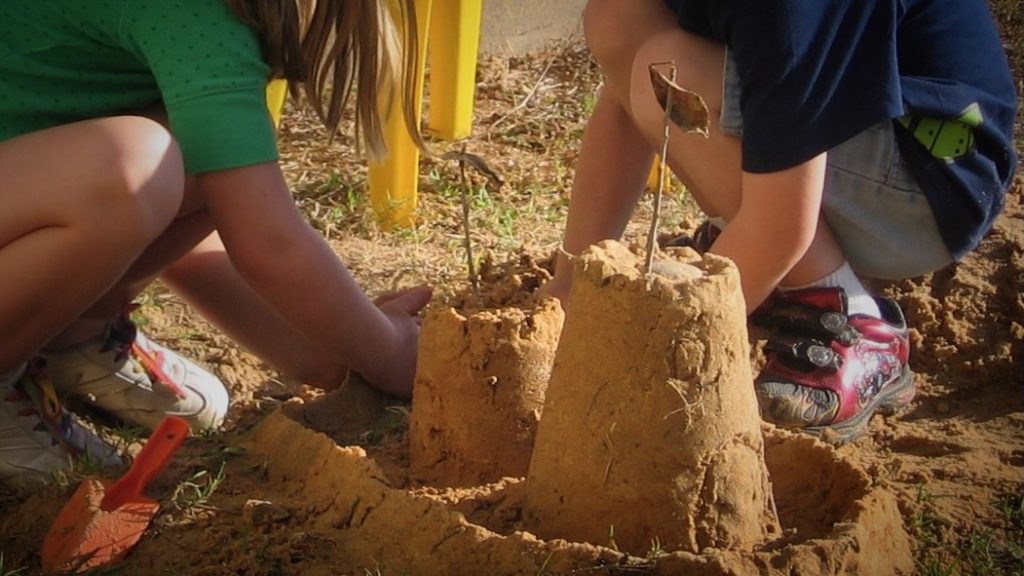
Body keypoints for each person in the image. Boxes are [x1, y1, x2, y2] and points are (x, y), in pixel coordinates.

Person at [0, 0, 433, 487]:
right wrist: (393, 354)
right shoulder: (193, 12)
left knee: (199, 155)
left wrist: (339, 349)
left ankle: (66, 341)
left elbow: (205, 215)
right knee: (132, 164)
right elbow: (268, 245)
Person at [543, 0, 1018, 442]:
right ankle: (785, 277)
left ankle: (850, 318)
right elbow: (625, 102)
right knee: (620, 16)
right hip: (844, 136)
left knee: (668, 71)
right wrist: (569, 289)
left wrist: (641, 364)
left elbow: (781, 226)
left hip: (927, 181)